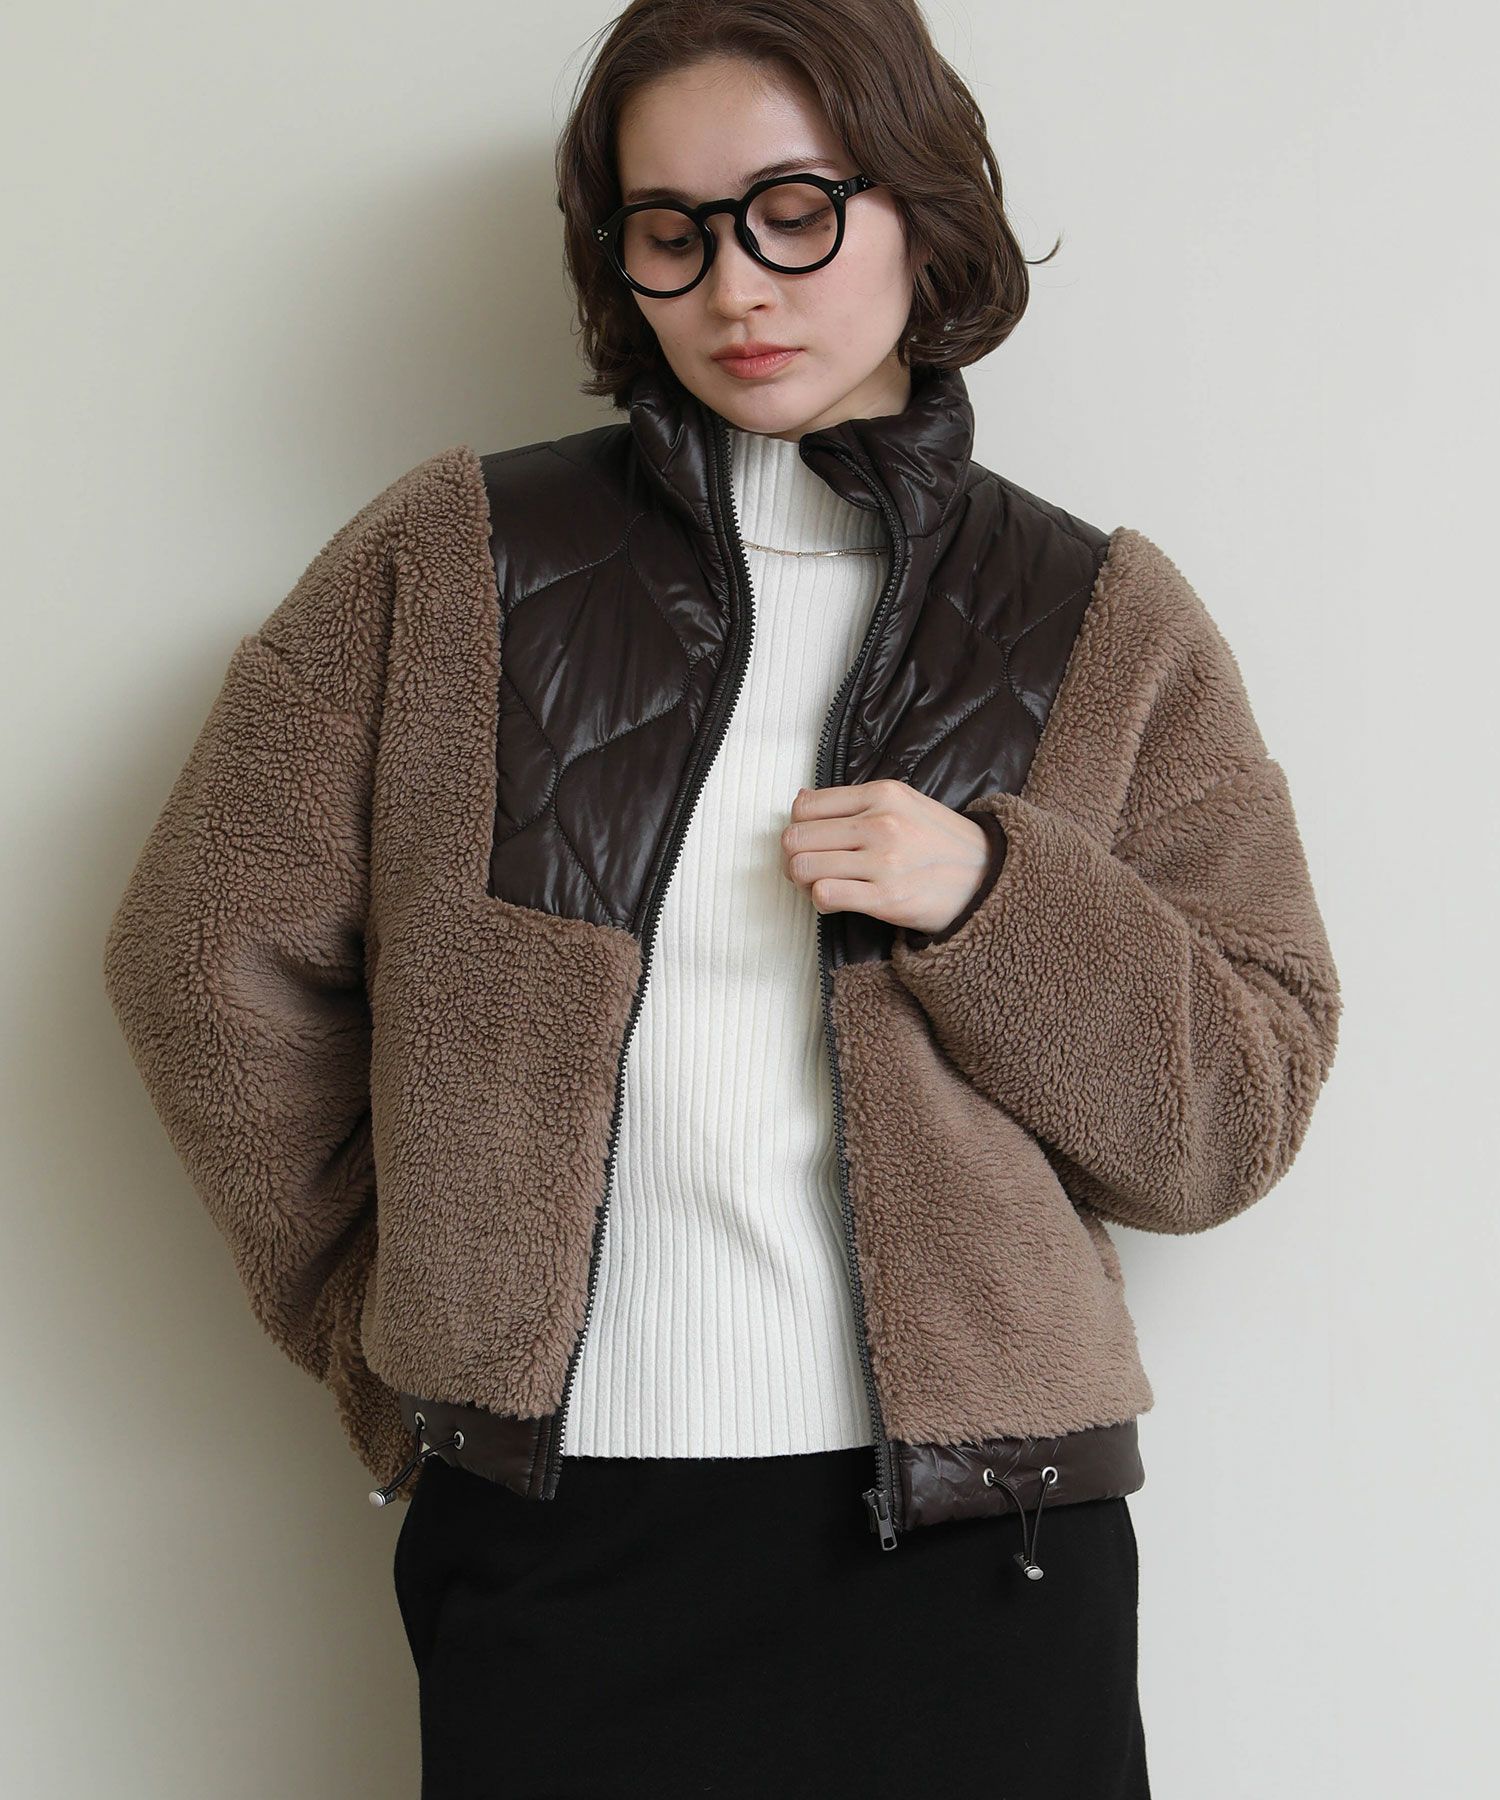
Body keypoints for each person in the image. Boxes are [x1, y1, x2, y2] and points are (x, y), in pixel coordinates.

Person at [101, 1, 1343, 1794]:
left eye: (794, 211)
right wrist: (405, 1330)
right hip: (558, 1541)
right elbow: (199, 957)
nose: (735, 286)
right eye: (670, 231)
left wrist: (994, 896)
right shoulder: (451, 564)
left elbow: (1238, 1111)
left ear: (922, 207)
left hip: (987, 1551)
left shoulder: (1099, 616)